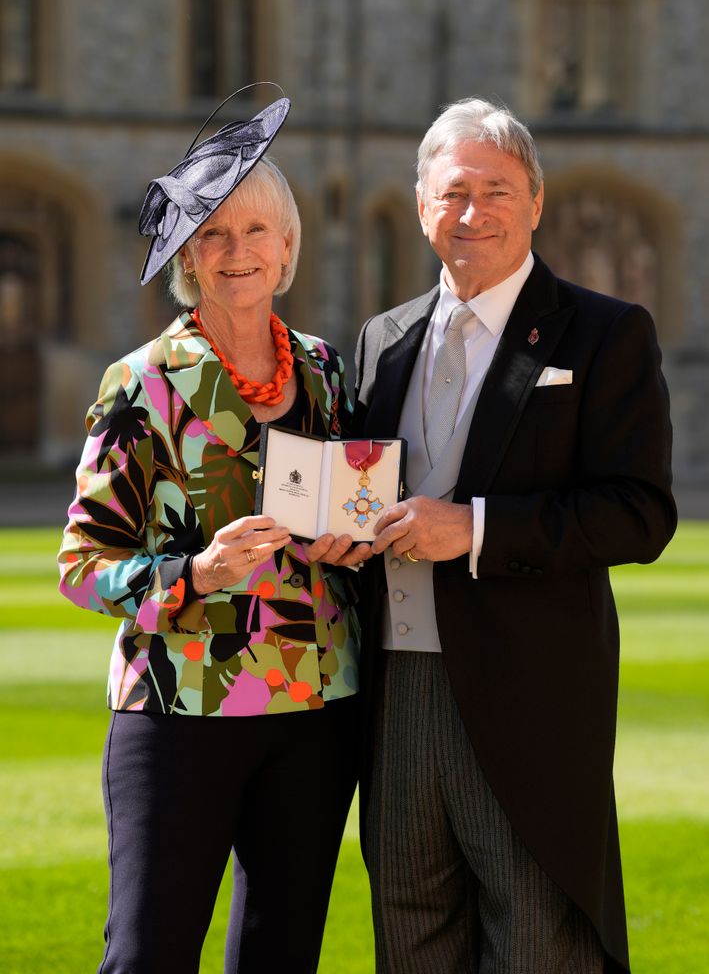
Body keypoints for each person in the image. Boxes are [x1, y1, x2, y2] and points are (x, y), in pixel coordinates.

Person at [353, 97, 677, 973]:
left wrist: (476, 529)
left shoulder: (605, 332)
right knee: (409, 933)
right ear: (422, 207)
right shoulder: (381, 340)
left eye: (495, 191)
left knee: (535, 940)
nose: (472, 212)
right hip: (393, 689)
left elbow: (640, 513)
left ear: (535, 202)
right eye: (452, 192)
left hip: (528, 690)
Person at [58, 93, 368, 974]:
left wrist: (353, 539)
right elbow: (83, 565)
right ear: (188, 256)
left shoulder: (326, 371)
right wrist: (192, 570)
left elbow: (346, 511)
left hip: (317, 706)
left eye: (256, 231)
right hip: (180, 706)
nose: (238, 253)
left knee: (281, 955)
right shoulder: (142, 381)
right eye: (214, 236)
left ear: (287, 245)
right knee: (148, 955)